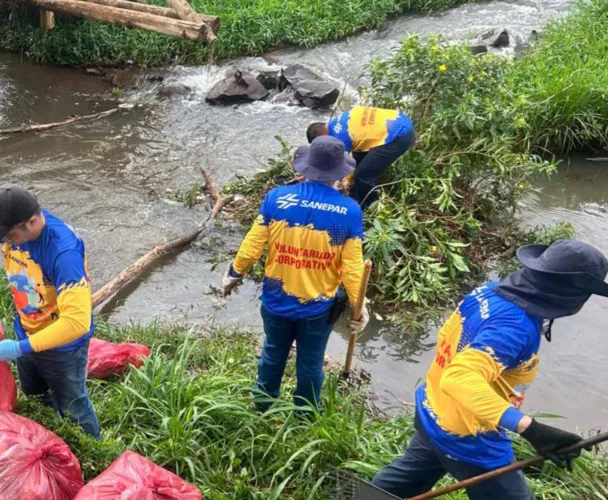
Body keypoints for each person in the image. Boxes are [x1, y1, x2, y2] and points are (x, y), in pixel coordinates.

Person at [372, 240, 607, 499]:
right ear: (571, 294)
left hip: (434, 411)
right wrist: (531, 428)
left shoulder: (491, 291)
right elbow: (459, 379)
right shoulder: (515, 326)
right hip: (469, 437)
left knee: (402, 483)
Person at [221, 136, 369, 411]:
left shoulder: (276, 198)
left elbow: (252, 246)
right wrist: (359, 306)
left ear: (305, 169)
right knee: (311, 362)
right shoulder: (349, 211)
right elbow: (352, 267)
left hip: (276, 299)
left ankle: (263, 406)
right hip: (317, 307)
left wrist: (234, 273)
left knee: (273, 353)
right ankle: (304, 414)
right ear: (340, 175)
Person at [0, 184, 101, 438]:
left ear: (30, 222)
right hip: (26, 330)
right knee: (35, 392)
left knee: (75, 406)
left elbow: (77, 322)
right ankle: (50, 427)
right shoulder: (8, 223)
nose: (1, 241)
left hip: (63, 348)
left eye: (7, 236)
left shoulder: (63, 253)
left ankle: (94, 451)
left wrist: (20, 349)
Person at [307, 106, 414, 209]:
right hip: (398, 121)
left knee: (362, 176)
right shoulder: (338, 120)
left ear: (321, 137)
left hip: (399, 136)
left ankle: (369, 206)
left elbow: (339, 166)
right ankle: (356, 194)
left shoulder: (339, 138)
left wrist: (344, 180)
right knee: (358, 161)